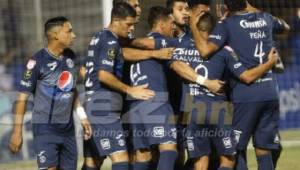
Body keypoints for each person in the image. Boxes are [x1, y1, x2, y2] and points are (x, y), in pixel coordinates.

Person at [169, 10, 279, 170]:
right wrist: (269, 64)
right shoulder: (224, 51)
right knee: (228, 160)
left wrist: (202, 81)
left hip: (191, 109)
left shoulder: (181, 46)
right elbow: (246, 76)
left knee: (200, 162)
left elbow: (175, 65)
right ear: (214, 32)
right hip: (218, 108)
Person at [8, 16, 92, 170]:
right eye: (69, 31)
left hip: (68, 130)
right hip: (45, 128)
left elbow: (71, 91)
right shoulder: (37, 62)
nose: (73, 35)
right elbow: (21, 99)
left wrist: (83, 117)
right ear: (56, 35)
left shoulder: (71, 57)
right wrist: (16, 132)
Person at [81, 3, 158, 170]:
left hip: (95, 105)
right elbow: (103, 75)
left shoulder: (99, 36)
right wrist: (131, 90)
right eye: (128, 24)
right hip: (102, 107)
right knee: (121, 158)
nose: (131, 29)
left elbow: (86, 71)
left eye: (133, 25)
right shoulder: (110, 40)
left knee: (93, 161)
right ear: (115, 20)